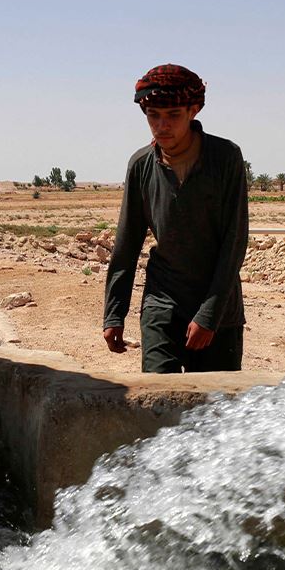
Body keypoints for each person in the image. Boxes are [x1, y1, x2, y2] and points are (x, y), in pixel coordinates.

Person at [103, 65, 249, 373]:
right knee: (158, 399)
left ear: (193, 110)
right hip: (162, 300)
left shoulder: (225, 158)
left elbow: (234, 242)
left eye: (172, 115)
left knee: (212, 410)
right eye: (153, 115)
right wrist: (114, 313)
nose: (161, 126)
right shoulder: (141, 165)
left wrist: (209, 315)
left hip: (218, 305)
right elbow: (126, 245)